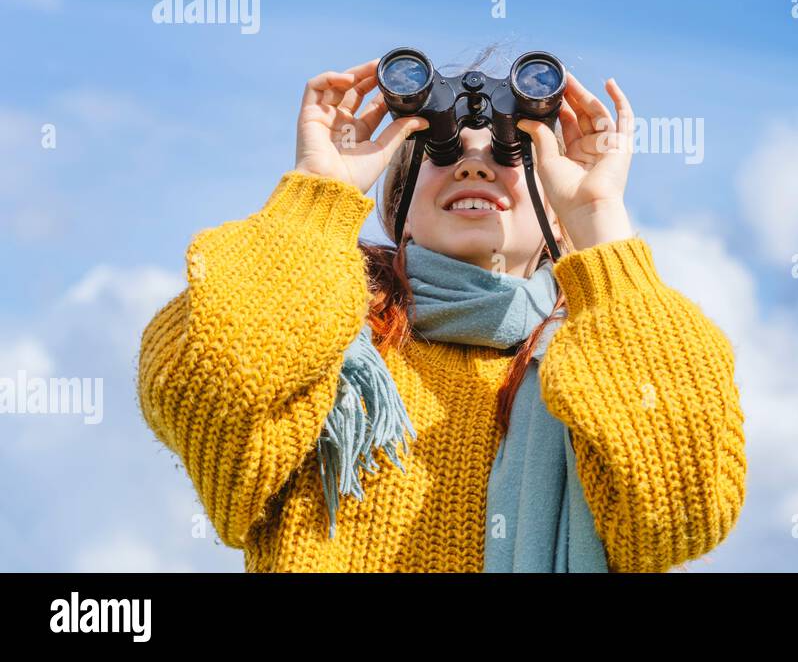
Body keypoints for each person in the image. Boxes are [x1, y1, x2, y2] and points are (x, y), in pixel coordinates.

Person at [136, 48, 747, 572]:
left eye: (514, 154)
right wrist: (319, 194)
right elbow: (212, 386)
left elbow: (686, 500)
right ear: (397, 201)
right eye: (439, 150)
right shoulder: (331, 352)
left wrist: (597, 220)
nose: (475, 162)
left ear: (551, 213)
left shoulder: (590, 375)